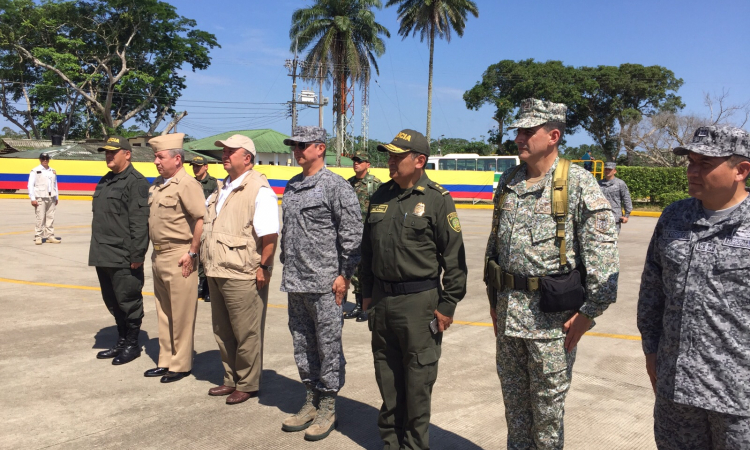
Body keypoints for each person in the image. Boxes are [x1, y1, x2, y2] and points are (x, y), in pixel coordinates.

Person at [485, 98, 619, 449]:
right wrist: (492, 300)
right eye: (519, 130)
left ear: (553, 136)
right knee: (515, 415)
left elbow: (605, 265)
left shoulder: (578, 184)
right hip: (509, 320)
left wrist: (587, 316)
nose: (519, 138)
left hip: (551, 326)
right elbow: (494, 248)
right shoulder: (509, 180)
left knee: (546, 421)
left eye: (529, 131)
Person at [637, 126, 750, 449]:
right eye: (691, 161)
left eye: (705, 163)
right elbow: (651, 290)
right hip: (676, 391)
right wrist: (651, 349)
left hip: (738, 400)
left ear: (741, 170)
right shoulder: (674, 217)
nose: (692, 171)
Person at [360, 129, 468, 449]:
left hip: (420, 304)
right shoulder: (380, 195)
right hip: (381, 302)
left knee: (418, 383)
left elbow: (455, 260)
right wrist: (366, 294)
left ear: (419, 160)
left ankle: (414, 445)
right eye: (389, 155)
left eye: (397, 155)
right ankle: (391, 443)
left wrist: (447, 305)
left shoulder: (437, 199)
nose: (390, 161)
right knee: (388, 378)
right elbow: (367, 252)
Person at [279, 126, 362, 441]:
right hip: (295, 282)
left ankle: (328, 404)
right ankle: (311, 399)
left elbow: (352, 234)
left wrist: (345, 274)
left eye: (302, 145)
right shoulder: (292, 185)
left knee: (327, 346)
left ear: (319, 148)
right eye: (294, 146)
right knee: (302, 344)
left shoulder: (335, 186)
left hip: (326, 283)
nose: (297, 151)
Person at [201, 134, 279, 405]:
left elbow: (269, 236)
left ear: (247, 158)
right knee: (222, 330)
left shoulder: (259, 189)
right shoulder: (221, 187)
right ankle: (230, 378)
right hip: (217, 269)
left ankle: (247, 383)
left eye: (230, 151)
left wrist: (264, 267)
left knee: (246, 331)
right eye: (223, 151)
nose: (224, 155)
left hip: (243, 271)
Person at [145, 133, 206, 383]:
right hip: (158, 255)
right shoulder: (158, 184)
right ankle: (166, 360)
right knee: (164, 312)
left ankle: (181, 364)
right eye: (155, 157)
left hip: (180, 254)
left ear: (177, 159)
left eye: (160, 157)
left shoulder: (187, 184)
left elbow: (200, 219)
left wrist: (192, 253)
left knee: (181, 314)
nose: (156, 161)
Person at [89, 136, 150, 365]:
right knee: (113, 301)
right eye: (106, 152)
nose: (108, 155)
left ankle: (132, 344)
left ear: (127, 154)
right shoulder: (106, 180)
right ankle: (122, 340)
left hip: (124, 255)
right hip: (103, 253)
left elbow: (139, 222)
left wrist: (137, 255)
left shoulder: (136, 182)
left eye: (113, 152)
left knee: (129, 301)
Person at [344, 149, 381, 322]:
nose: (356, 163)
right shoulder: (348, 184)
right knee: (355, 271)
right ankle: (358, 305)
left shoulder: (374, 184)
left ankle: (368, 307)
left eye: (360, 161)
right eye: (355, 160)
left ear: (368, 164)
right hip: (352, 235)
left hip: (369, 235)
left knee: (368, 270)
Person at [190, 155, 218, 303]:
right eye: (194, 166)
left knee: (207, 256)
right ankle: (200, 284)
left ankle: (207, 287)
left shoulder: (213, 184)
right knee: (197, 256)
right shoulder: (190, 183)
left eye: (198, 166)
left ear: (206, 167)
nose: (196, 168)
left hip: (208, 224)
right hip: (194, 225)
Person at [28, 153, 60, 245]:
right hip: (40, 197)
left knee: (50, 218)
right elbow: (30, 185)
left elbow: (55, 185)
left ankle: (50, 236)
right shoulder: (35, 170)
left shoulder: (52, 171)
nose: (45, 160)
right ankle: (38, 236)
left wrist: (56, 196)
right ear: (40, 159)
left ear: (49, 159)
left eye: (46, 158)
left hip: (51, 197)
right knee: (40, 218)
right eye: (43, 158)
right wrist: (32, 198)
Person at [598, 162, 633, 234]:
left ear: (614, 171)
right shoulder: (598, 183)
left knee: (613, 241)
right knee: (601, 241)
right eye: (606, 169)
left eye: (610, 170)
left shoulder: (620, 183)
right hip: (601, 217)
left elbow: (627, 199)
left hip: (615, 217)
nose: (607, 171)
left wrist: (626, 215)